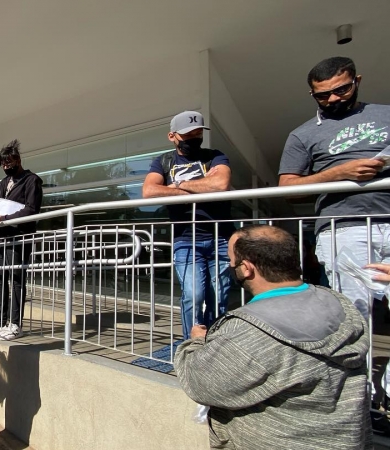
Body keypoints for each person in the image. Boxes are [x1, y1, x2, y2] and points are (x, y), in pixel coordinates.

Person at [175, 225, 370, 449]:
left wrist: (197, 342)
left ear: (246, 268)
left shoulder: (246, 330)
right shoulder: (339, 304)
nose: (229, 266)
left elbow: (200, 384)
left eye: (231, 260)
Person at [278, 56, 390, 320]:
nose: (333, 99)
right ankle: (357, 362)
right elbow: (287, 188)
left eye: (342, 90)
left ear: (357, 80)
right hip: (343, 226)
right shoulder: (302, 134)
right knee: (355, 313)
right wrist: (337, 174)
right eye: (323, 95)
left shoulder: (386, 114)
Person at [142, 111, 234, 341]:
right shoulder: (163, 161)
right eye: (187, 134)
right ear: (172, 136)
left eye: (198, 133)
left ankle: (216, 343)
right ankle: (190, 345)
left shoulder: (216, 156)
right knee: (194, 294)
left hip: (220, 237)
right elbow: (149, 191)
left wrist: (178, 185)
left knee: (220, 296)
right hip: (186, 238)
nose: (194, 137)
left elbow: (221, 183)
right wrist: (203, 185)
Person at [0, 140, 43, 341]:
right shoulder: (5, 183)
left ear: (18, 160)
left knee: (16, 280)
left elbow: (31, 209)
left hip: (19, 238)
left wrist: (4, 219)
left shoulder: (32, 180)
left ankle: (14, 324)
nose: (6, 167)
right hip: (1, 238)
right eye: (3, 165)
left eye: (9, 163)